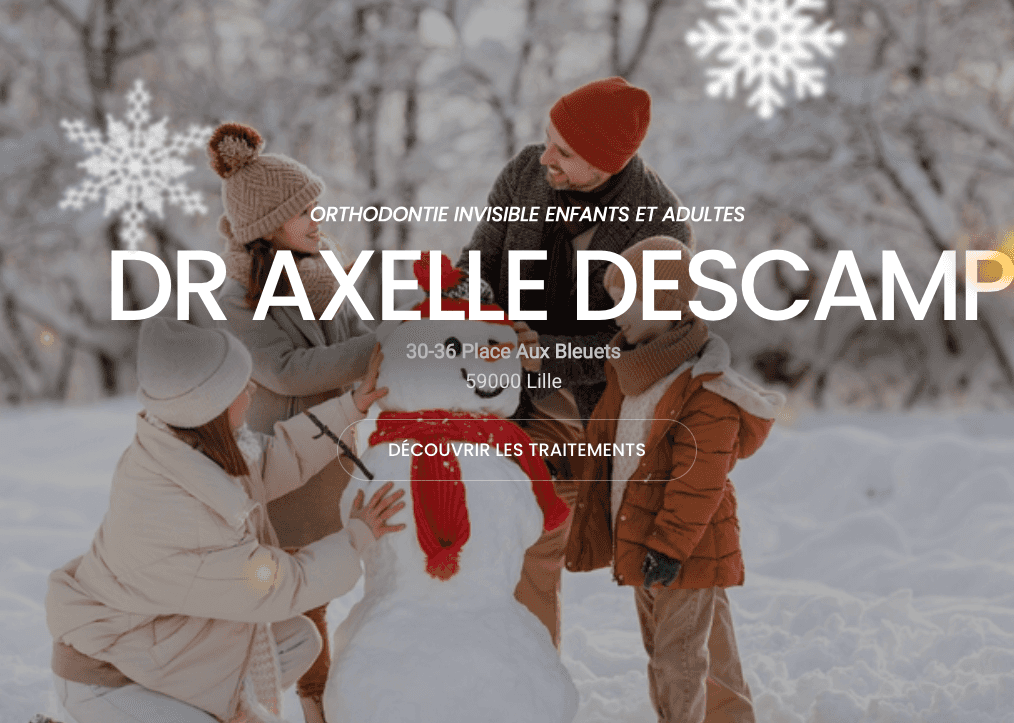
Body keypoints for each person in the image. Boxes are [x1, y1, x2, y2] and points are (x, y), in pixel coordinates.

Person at [45, 319, 407, 723]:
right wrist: (356, 536)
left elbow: (274, 460)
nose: (251, 388)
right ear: (209, 404)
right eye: (240, 384)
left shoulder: (189, 447)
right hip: (110, 678)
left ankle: (212, 703)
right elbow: (274, 586)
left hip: (164, 648)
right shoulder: (173, 512)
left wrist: (351, 405)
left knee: (298, 639)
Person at [458, 76, 694, 647]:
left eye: (565, 151)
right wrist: (488, 313)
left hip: (608, 415)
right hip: (519, 405)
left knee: (667, 569)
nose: (546, 157)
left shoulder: (657, 221)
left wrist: (549, 354)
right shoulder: (524, 173)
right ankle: (526, 691)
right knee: (526, 540)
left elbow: (641, 344)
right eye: (547, 139)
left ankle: (707, 704)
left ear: (611, 160)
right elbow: (475, 264)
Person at [564, 237, 782, 723]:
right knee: (699, 649)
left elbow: (697, 482)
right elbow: (608, 451)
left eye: (626, 299)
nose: (615, 312)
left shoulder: (705, 390)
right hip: (644, 541)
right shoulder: (633, 375)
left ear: (665, 301)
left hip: (681, 546)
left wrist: (668, 546)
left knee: (676, 659)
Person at [205, 121, 377, 723]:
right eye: (303, 211)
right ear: (265, 228)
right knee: (303, 602)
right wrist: (377, 354)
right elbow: (286, 371)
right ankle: (310, 708)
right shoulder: (235, 300)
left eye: (315, 206)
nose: (316, 219)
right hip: (286, 467)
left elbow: (357, 338)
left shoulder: (325, 275)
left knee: (332, 587)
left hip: (339, 456)